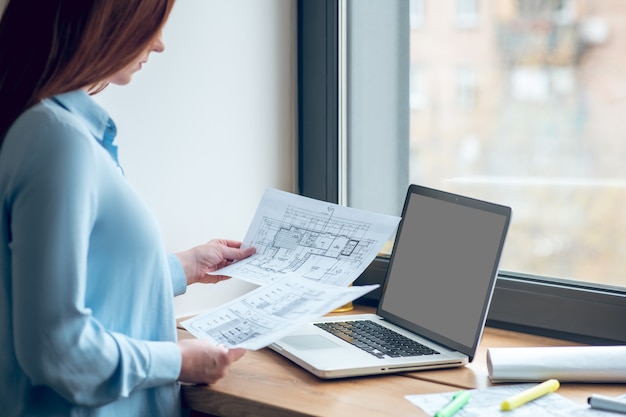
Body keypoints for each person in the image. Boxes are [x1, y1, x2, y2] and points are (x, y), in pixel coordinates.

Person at [0, 1, 256, 416]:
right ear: (104, 20)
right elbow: (57, 349)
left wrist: (184, 266)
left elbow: (78, 276)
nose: (159, 45)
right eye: (151, 24)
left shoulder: (50, 130)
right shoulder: (56, 141)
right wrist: (180, 361)